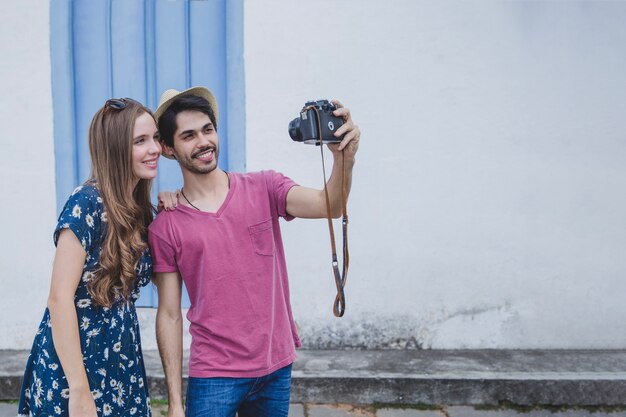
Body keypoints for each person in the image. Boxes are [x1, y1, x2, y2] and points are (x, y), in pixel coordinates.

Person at [148, 86, 360, 417]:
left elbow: (329, 204)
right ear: (168, 148)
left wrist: (344, 157)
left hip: (275, 367)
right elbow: (170, 314)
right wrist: (174, 403)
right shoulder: (166, 226)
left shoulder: (265, 187)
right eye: (188, 135)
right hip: (213, 374)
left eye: (207, 129)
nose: (203, 142)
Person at [17, 98, 162, 417]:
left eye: (155, 138)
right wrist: (80, 391)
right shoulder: (87, 203)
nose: (155, 149)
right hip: (76, 366)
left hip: (120, 362)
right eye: (141, 141)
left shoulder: (138, 209)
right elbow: (58, 299)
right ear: (115, 148)